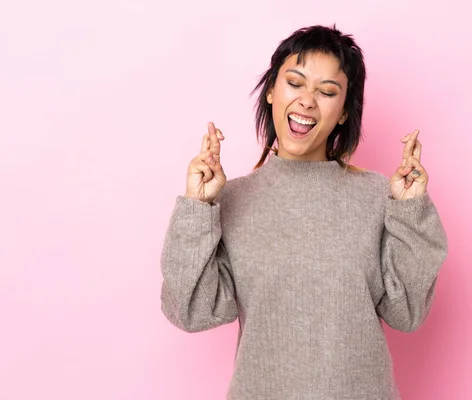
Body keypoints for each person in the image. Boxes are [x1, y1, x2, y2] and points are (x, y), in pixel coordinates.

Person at [160, 24, 448, 400]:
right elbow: (189, 310)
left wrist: (410, 211)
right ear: (270, 92)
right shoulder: (232, 200)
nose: (307, 101)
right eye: (295, 83)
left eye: (327, 92)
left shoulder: (378, 195)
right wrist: (198, 207)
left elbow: (407, 313)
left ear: (344, 113)